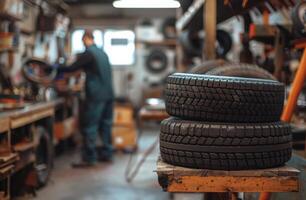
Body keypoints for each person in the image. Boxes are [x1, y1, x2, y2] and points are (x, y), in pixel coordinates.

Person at [58, 30, 114, 167]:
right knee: (105, 125)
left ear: (86, 38)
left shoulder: (89, 53)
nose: (83, 43)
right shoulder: (103, 53)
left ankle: (90, 158)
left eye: (83, 40)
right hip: (109, 94)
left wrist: (56, 68)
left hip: (96, 95)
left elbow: (72, 67)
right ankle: (107, 154)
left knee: (90, 126)